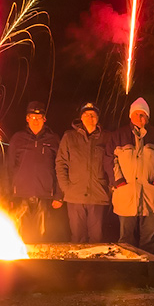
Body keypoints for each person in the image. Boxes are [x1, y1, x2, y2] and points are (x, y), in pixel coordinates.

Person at [109, 97, 154, 253]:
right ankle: (127, 270)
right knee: (126, 238)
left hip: (150, 194)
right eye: (137, 114)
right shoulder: (119, 135)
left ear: (148, 117)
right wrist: (118, 180)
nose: (140, 118)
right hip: (126, 194)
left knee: (149, 238)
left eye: (143, 114)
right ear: (131, 115)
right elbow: (110, 160)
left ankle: (148, 270)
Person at [7, 101, 62, 242]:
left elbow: (60, 168)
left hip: (45, 195)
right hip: (20, 195)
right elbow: (8, 168)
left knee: (42, 236)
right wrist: (8, 195)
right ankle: (20, 263)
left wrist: (58, 195)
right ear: (27, 119)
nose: (35, 121)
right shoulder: (17, 139)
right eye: (32, 117)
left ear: (44, 119)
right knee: (19, 236)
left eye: (39, 118)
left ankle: (40, 264)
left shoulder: (53, 139)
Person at [56, 102, 110, 243]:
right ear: (81, 118)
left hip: (98, 194)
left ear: (97, 118)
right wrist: (66, 187)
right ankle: (77, 265)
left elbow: (112, 163)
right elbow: (61, 163)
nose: (89, 118)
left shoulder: (107, 138)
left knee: (96, 238)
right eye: (86, 115)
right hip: (75, 195)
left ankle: (95, 265)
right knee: (77, 237)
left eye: (92, 115)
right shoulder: (69, 137)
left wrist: (109, 188)